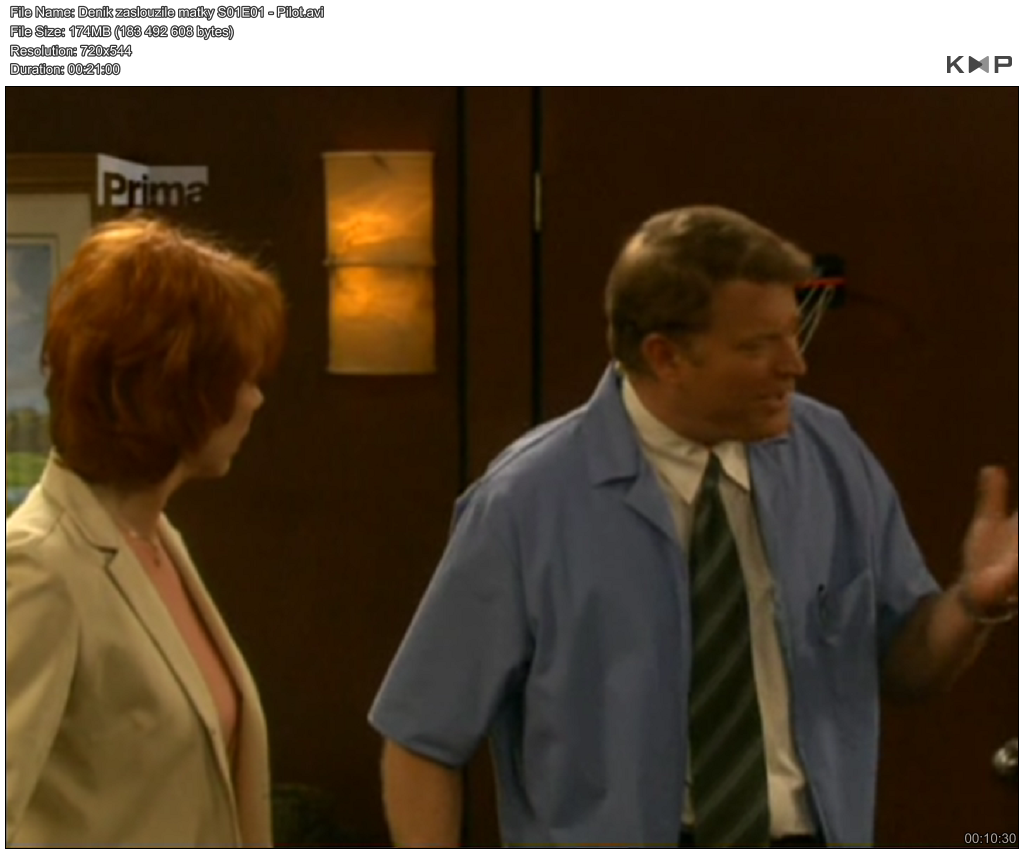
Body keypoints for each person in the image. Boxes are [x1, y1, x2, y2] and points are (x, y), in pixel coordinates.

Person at [369, 206, 1019, 847]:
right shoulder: (527, 502)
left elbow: (906, 663)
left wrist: (972, 604)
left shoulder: (830, 453)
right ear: (667, 356)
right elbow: (421, 739)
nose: (795, 364)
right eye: (758, 346)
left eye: (793, 334)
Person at [5, 217, 286, 847]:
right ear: (178, 392)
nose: (255, 401)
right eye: (242, 379)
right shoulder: (41, 567)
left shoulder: (153, 538)